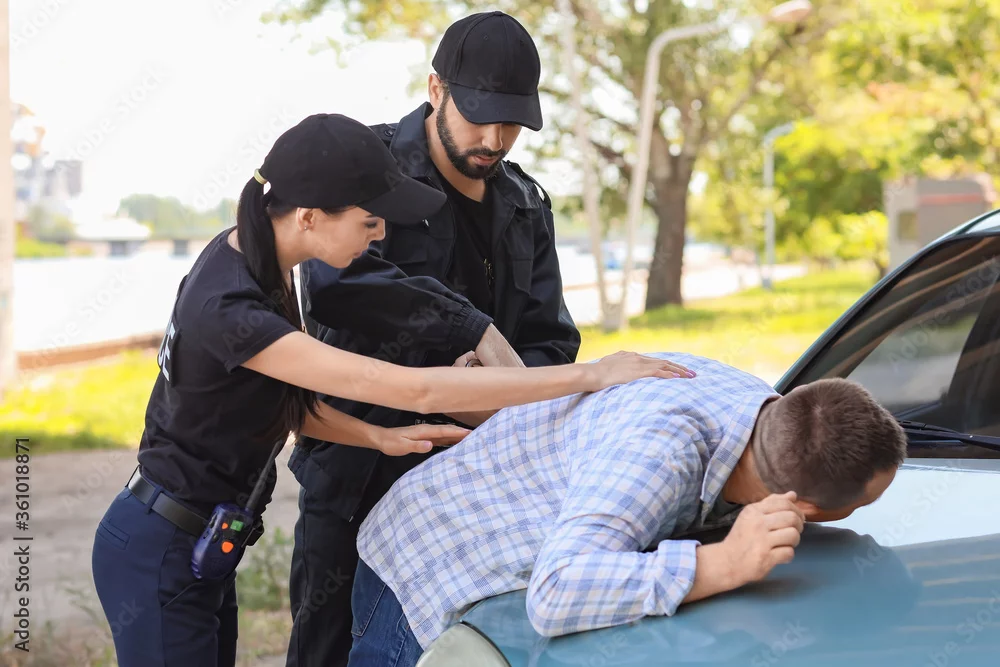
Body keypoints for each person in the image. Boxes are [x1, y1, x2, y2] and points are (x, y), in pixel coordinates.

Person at [89, 113, 693, 667]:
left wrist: (377, 436)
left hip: (202, 543)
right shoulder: (231, 308)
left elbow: (286, 403)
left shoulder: (252, 256)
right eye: (368, 222)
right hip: (160, 551)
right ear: (309, 216)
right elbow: (413, 388)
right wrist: (592, 375)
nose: (378, 237)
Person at [285, 11, 582, 667]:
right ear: (435, 89)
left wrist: (498, 393)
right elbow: (335, 283)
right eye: (479, 115)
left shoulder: (526, 204)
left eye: (512, 122)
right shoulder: (363, 169)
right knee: (327, 652)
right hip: (357, 479)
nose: (494, 138)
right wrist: (470, 327)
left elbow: (552, 341)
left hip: (475, 489)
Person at [348, 352, 909, 667]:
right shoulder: (659, 455)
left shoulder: (764, 413)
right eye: (866, 502)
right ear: (802, 507)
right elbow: (555, 593)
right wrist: (722, 564)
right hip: (426, 562)